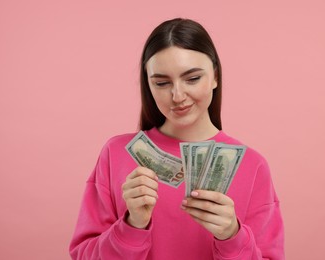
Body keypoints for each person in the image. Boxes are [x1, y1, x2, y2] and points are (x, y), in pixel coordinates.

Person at [69, 18, 284, 259]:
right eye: (161, 83)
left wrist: (232, 236)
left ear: (214, 76)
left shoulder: (253, 165)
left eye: (192, 79)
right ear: (148, 85)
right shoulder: (116, 153)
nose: (177, 95)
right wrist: (132, 225)